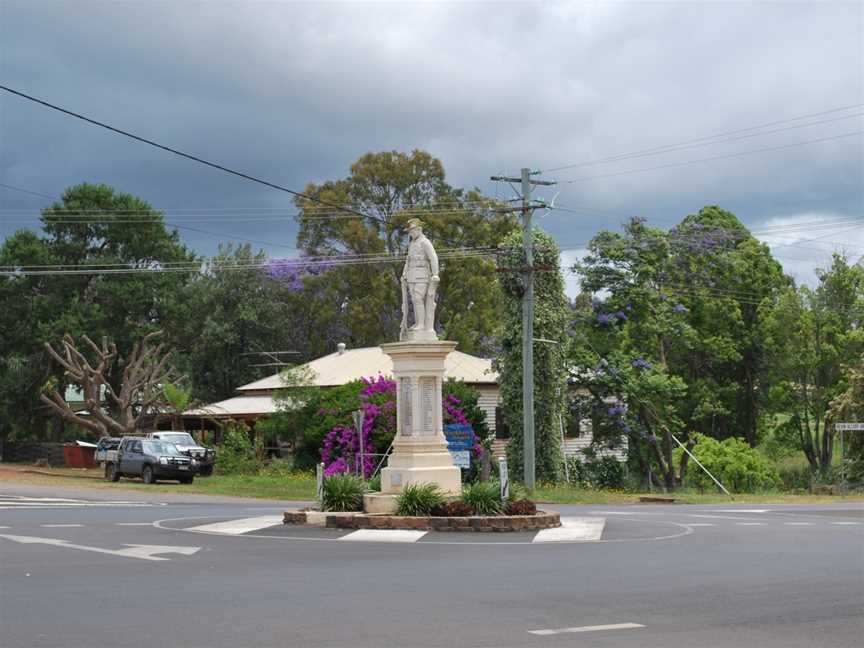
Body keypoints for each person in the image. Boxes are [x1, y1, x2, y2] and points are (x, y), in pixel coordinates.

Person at [400, 218, 439, 339]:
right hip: (412, 275)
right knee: (414, 300)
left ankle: (422, 324)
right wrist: (404, 273)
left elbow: (433, 258)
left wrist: (435, 273)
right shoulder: (412, 244)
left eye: (411, 231)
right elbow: (408, 260)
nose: (410, 234)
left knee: (418, 298)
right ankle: (418, 323)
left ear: (418, 229)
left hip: (423, 275)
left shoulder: (425, 242)